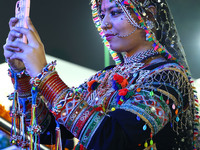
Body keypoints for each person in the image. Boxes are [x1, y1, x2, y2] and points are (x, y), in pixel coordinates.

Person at [3, 0, 199, 149]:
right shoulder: (105, 76)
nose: (104, 24)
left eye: (114, 12)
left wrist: (44, 74)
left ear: (148, 14)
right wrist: (23, 74)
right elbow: (48, 131)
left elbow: (112, 140)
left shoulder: (168, 76)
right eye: (102, 14)